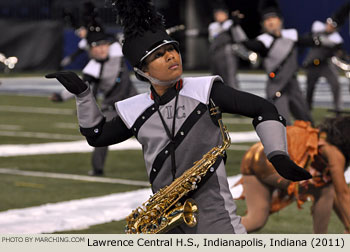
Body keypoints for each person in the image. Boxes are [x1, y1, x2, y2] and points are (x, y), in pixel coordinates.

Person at [46, 0, 311, 234]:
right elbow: (97, 136)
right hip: (164, 217)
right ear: (141, 71)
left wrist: (277, 155)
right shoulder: (135, 108)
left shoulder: (206, 90)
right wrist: (83, 94)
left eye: (172, 48)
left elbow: (263, 108)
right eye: (159, 55)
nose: (171, 55)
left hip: (213, 212)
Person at [235, 118, 350, 233]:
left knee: (255, 221)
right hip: (268, 161)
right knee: (325, 189)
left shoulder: (325, 139)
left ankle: (219, 233)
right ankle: (321, 242)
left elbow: (338, 195)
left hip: (255, 156)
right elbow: (342, 193)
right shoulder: (334, 152)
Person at [51, 27, 137, 176]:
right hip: (112, 106)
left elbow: (110, 34)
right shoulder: (92, 69)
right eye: (95, 46)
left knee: (154, 130)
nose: (101, 49)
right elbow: (81, 88)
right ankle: (97, 169)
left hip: (135, 102)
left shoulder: (116, 51)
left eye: (103, 45)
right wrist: (60, 97)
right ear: (90, 50)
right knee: (100, 137)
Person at [239, 0, 320, 125]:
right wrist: (235, 27)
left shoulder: (291, 35)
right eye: (267, 20)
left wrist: (319, 38)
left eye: (273, 18)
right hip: (276, 86)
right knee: (282, 122)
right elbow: (246, 43)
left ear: (280, 20)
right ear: (263, 24)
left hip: (293, 86)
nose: (270, 22)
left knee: (306, 120)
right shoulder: (263, 41)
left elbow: (311, 41)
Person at [303, 2, 350, 114]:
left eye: (332, 25)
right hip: (312, 64)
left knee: (336, 84)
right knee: (310, 87)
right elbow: (310, 37)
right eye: (329, 23)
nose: (329, 26)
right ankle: (307, 108)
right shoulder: (317, 28)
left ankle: (338, 108)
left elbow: (337, 50)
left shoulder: (335, 39)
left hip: (325, 64)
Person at [208, 5, 247, 89]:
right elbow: (212, 39)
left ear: (226, 15)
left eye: (221, 14)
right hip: (216, 53)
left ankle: (234, 97)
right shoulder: (213, 26)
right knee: (216, 77)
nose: (219, 16)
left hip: (228, 52)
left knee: (230, 78)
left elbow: (240, 37)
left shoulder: (230, 24)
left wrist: (235, 21)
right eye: (217, 14)